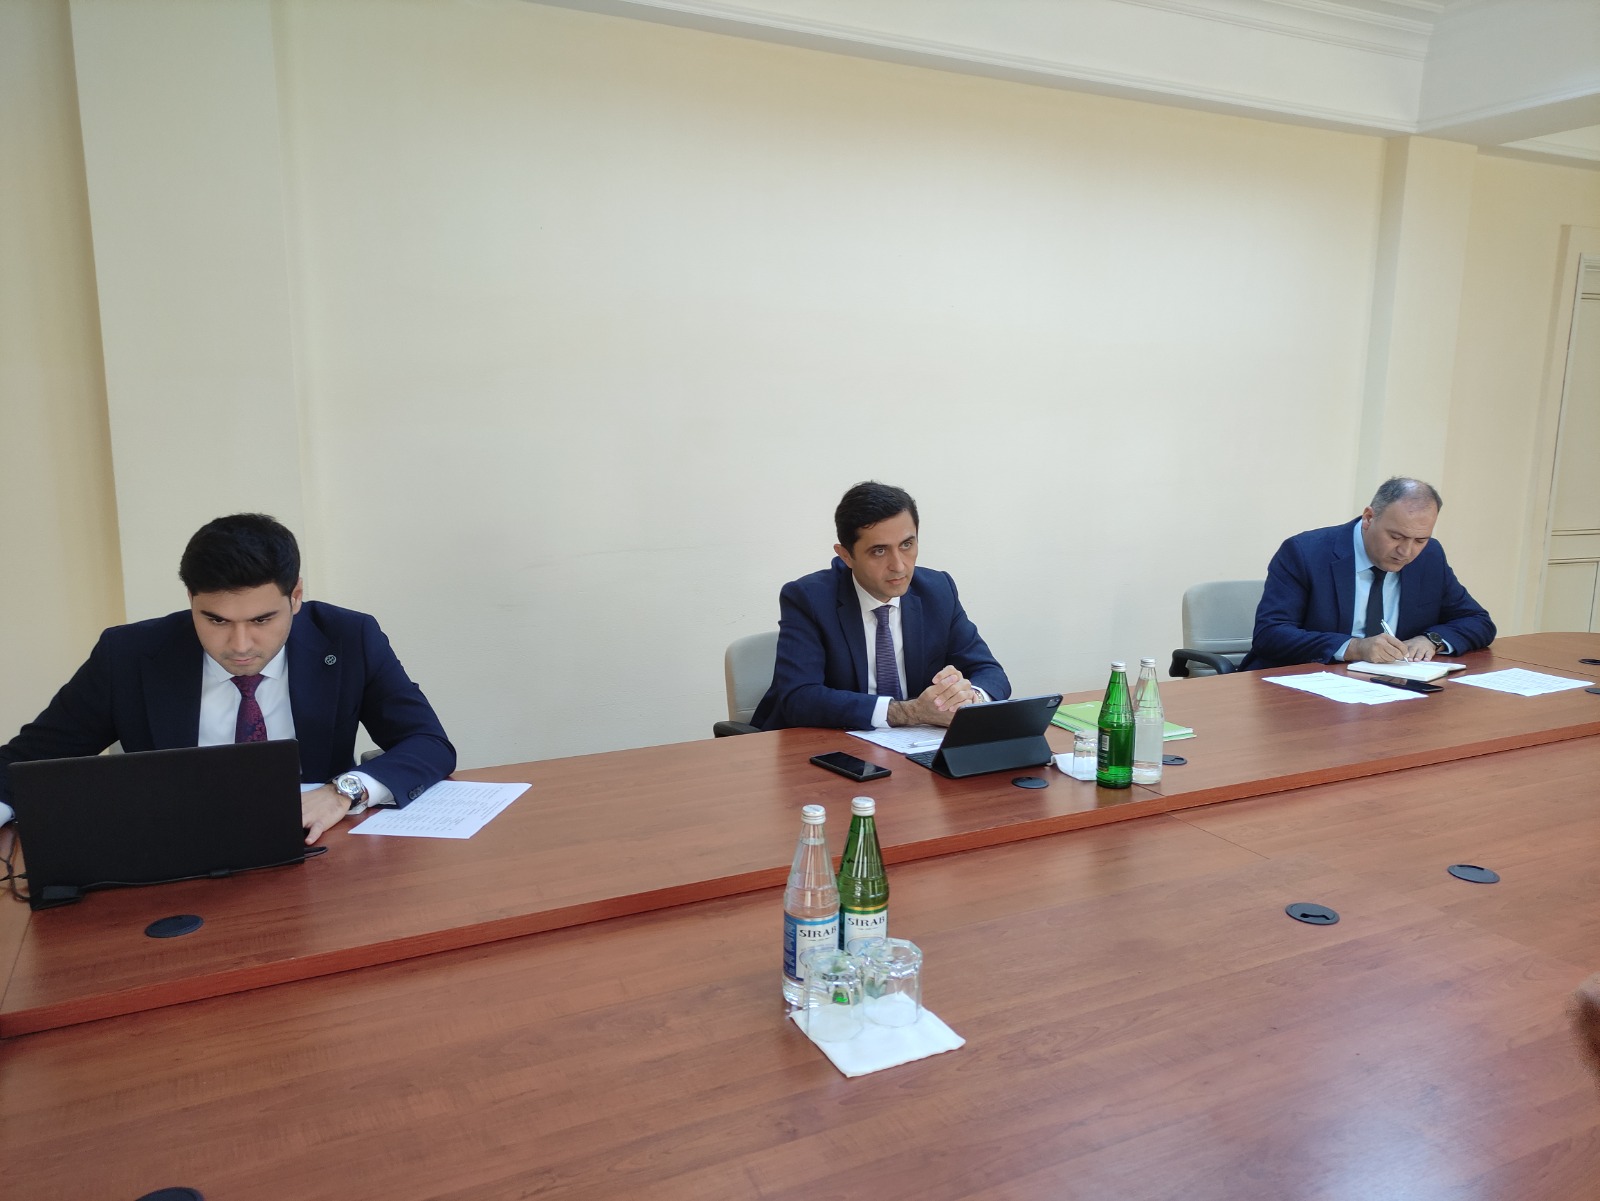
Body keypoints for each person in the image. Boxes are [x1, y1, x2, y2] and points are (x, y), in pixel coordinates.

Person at [0, 513, 454, 844]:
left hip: (312, 846)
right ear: (191, 599)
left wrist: (342, 792)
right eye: (216, 620)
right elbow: (23, 764)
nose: (240, 645)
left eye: (261, 620)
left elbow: (428, 742)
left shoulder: (348, 637)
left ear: (296, 595)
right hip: (172, 853)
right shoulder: (129, 654)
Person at [751, 481, 1010, 731]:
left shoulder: (937, 590)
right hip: (826, 746)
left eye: (906, 545)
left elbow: (989, 672)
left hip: (912, 746)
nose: (898, 565)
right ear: (846, 555)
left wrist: (968, 699)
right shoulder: (808, 599)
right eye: (879, 551)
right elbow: (800, 698)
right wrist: (909, 713)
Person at [1240, 477, 1495, 672]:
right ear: (1369, 517)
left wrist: (1431, 640)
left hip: (1391, 688)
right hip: (1305, 686)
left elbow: (1477, 621)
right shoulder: (1305, 553)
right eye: (1396, 536)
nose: (1406, 552)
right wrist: (1355, 648)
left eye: (1420, 540)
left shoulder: (1430, 557)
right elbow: (1270, 634)